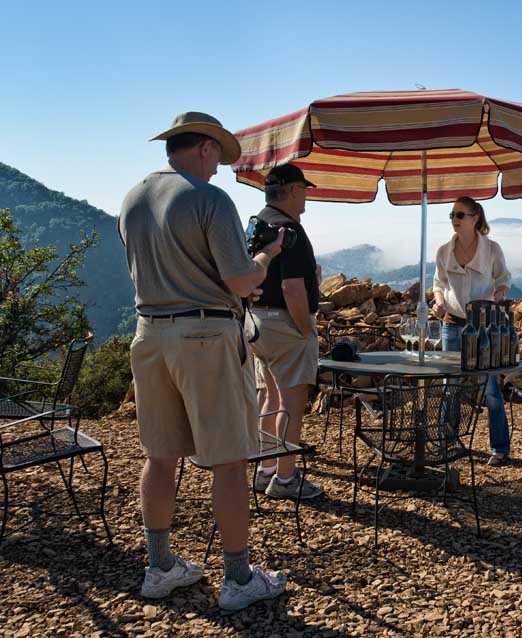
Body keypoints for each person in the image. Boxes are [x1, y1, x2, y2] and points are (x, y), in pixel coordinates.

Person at [119, 112, 286, 611]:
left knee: (160, 455)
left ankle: (160, 566)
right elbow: (239, 282)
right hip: (205, 335)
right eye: (217, 159)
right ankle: (237, 578)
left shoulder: (132, 198)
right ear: (206, 149)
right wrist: (266, 258)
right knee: (230, 460)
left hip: (149, 333)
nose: (217, 170)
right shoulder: (208, 198)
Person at [249, 164, 323, 499]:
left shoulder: (257, 223)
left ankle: (264, 470)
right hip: (284, 323)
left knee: (270, 396)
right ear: (293, 190)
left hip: (256, 323)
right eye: (304, 189)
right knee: (293, 402)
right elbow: (293, 288)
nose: (306, 196)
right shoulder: (290, 230)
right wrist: (306, 329)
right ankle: (286, 478)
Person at [432, 196, 512, 466]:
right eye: (452, 215)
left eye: (460, 215)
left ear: (475, 217)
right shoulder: (444, 251)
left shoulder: (492, 249)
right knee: (449, 387)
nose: (454, 219)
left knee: (490, 388)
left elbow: (503, 277)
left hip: (484, 325)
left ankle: (499, 448)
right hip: (452, 325)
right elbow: (439, 284)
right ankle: (447, 443)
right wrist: (439, 303)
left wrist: (500, 291)